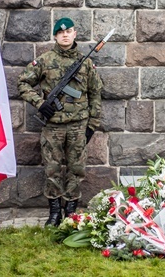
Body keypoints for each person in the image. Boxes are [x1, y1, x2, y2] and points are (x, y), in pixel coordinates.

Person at [17, 17, 102, 226]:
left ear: (74, 34)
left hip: (78, 125)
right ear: (55, 36)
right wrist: (40, 103)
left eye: (69, 31)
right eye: (61, 32)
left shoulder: (86, 63)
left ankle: (71, 213)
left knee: (76, 170)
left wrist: (92, 125)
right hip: (53, 125)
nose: (65, 35)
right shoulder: (45, 60)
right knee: (52, 169)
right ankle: (54, 213)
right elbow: (23, 83)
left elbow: (95, 94)